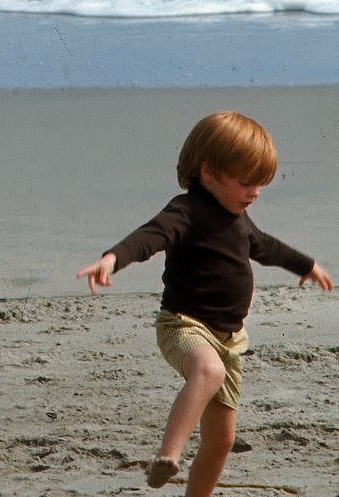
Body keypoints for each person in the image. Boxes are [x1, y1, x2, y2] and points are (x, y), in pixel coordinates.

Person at [76, 111, 332, 495]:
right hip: (184, 325)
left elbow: (267, 248)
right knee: (208, 371)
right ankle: (168, 454)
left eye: (261, 184)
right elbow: (150, 237)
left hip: (230, 339)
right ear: (208, 172)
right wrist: (112, 258)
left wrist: (306, 264)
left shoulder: (239, 219)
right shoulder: (186, 211)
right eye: (246, 182)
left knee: (221, 442)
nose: (255, 193)